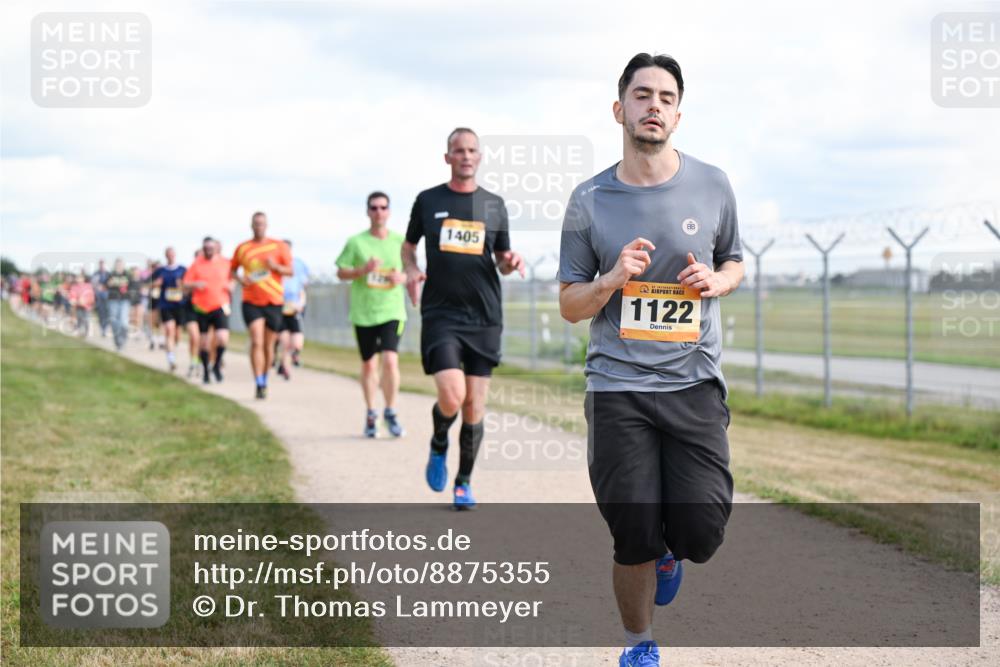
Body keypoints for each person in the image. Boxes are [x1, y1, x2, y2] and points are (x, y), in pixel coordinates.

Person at [557, 53, 745, 666]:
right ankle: (640, 647)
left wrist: (718, 282)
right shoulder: (589, 199)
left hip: (693, 383)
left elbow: (735, 260)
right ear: (620, 109)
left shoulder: (713, 183)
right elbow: (570, 304)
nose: (653, 105)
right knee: (631, 533)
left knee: (701, 533)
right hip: (617, 386)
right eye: (642, 95)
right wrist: (610, 279)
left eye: (665, 97)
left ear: (679, 114)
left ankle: (672, 552)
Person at [402, 128, 525, 509]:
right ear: (448, 157)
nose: (466, 156)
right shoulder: (428, 201)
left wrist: (511, 261)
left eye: (472, 150)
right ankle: (440, 440)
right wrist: (410, 269)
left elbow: (502, 260)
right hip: (441, 314)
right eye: (459, 150)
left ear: (479, 157)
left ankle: (463, 482)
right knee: (452, 396)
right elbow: (408, 247)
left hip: (485, 316)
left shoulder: (493, 205)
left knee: (474, 405)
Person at [336, 192, 408, 438]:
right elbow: (341, 273)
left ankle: (391, 411)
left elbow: (413, 270)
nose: (379, 212)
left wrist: (403, 277)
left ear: (389, 211)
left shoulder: (400, 240)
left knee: (390, 360)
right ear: (368, 212)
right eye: (374, 208)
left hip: (392, 310)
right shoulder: (356, 242)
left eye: (383, 207)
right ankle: (370, 413)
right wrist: (362, 270)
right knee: (369, 365)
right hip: (364, 312)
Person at [230, 212, 292, 399]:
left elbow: (290, 270)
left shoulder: (278, 246)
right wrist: (241, 279)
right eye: (256, 224)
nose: (259, 227)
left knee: (268, 345)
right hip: (251, 300)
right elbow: (233, 269)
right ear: (251, 225)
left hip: (273, 301)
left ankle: (264, 378)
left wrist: (276, 267)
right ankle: (257, 381)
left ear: (267, 225)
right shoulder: (243, 248)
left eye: (262, 224)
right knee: (256, 340)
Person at [183, 237, 231, 384]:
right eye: (206, 248)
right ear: (203, 248)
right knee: (204, 343)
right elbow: (185, 284)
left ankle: (216, 365)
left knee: (222, 338)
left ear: (216, 248)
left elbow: (234, 277)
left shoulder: (225, 263)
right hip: (201, 308)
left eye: (211, 248)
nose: (208, 251)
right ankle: (205, 371)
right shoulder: (197, 264)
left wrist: (232, 285)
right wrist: (195, 284)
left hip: (220, 306)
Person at [276, 239, 310, 380]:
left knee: (296, 343)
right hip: (279, 307)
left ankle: (293, 357)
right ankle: (286, 369)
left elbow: (302, 287)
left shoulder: (299, 264)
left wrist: (301, 302)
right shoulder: (274, 265)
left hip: (294, 307)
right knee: (285, 343)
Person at [152, 248, 187, 371]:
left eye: (172, 255)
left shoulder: (182, 269)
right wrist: (156, 284)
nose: (171, 257)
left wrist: (181, 285)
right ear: (166, 256)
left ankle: (173, 347)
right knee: (169, 330)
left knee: (177, 334)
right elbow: (150, 284)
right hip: (165, 305)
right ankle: (171, 359)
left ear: (175, 255)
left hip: (179, 305)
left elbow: (187, 286)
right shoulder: (160, 271)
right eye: (168, 255)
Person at [103, 258, 133, 351]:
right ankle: (118, 342)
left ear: (123, 265)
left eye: (121, 264)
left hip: (124, 300)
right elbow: (105, 285)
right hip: (113, 300)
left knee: (124, 322)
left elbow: (133, 286)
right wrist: (110, 283)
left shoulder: (127, 275)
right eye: (117, 264)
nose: (119, 266)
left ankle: (123, 339)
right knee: (114, 322)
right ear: (115, 265)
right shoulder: (110, 274)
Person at [68, 271, 95, 337]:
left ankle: (88, 331)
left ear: (83, 279)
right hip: (78, 305)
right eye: (77, 278)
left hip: (87, 305)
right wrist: (74, 301)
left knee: (86, 318)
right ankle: (78, 329)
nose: (78, 279)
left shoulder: (88, 286)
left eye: (79, 278)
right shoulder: (74, 287)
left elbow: (91, 295)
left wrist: (87, 301)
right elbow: (72, 295)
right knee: (79, 318)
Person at [92, 259, 110, 336]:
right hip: (99, 296)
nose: (102, 266)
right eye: (100, 264)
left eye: (103, 264)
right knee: (100, 313)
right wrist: (97, 287)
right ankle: (102, 328)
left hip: (107, 296)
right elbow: (93, 283)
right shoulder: (96, 273)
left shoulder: (109, 274)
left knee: (107, 313)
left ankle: (105, 327)